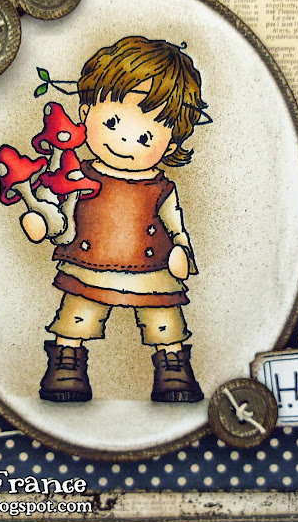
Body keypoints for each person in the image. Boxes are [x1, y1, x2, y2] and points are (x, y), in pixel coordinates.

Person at [32, 35, 207, 403]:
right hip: (89, 262)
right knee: (79, 313)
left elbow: (175, 226)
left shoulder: (161, 187)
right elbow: (59, 211)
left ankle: (173, 367)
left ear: (172, 143)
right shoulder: (76, 174)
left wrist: (181, 251)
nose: (125, 141)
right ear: (85, 113)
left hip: (152, 267)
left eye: (146, 137)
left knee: (163, 320)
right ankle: (67, 364)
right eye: (112, 122)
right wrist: (44, 221)